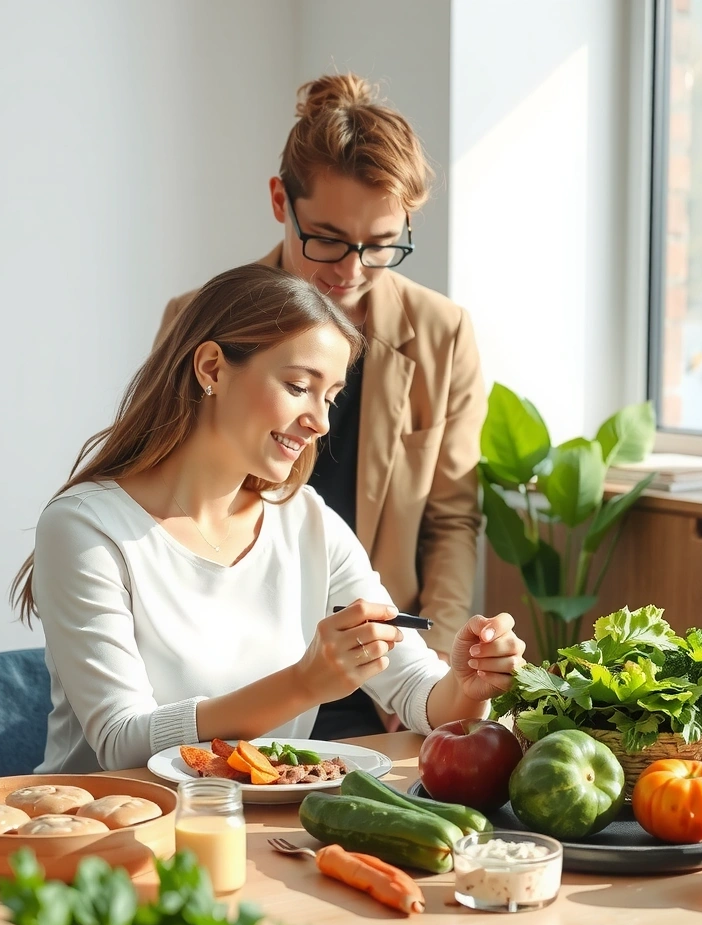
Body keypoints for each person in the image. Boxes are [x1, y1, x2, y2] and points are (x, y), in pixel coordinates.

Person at [12, 264, 523, 774]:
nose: (320, 422)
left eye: (331, 398)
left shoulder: (307, 521)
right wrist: (303, 683)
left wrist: (467, 685)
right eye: (299, 386)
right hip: (114, 817)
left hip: (259, 818)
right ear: (212, 368)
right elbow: (121, 742)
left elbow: (416, 690)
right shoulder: (86, 528)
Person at [153, 73, 487, 739]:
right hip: (233, 681)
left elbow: (451, 519)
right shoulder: (199, 321)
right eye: (328, 239)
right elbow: (161, 490)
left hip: (383, 673)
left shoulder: (442, 333)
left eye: (381, 244)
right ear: (282, 201)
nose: (351, 271)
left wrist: (434, 668)